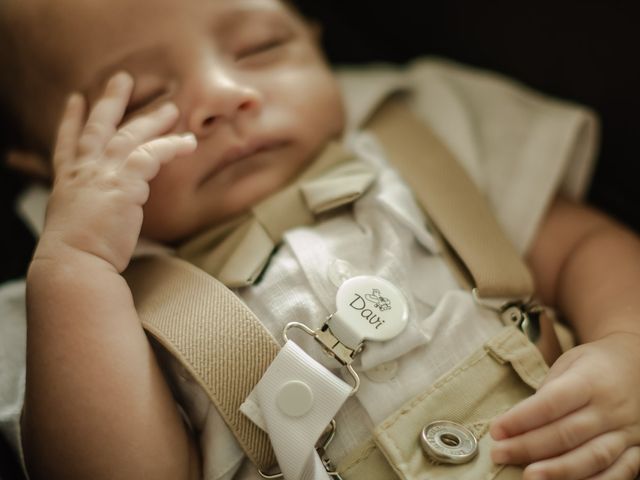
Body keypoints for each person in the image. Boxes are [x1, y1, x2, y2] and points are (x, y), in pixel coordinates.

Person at [0, 0, 639, 478]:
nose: (223, 95)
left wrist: (629, 346)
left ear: (314, 38)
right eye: (143, 100)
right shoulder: (76, 316)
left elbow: (584, 248)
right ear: (44, 163)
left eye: (260, 47)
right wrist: (77, 267)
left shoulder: (424, 127)